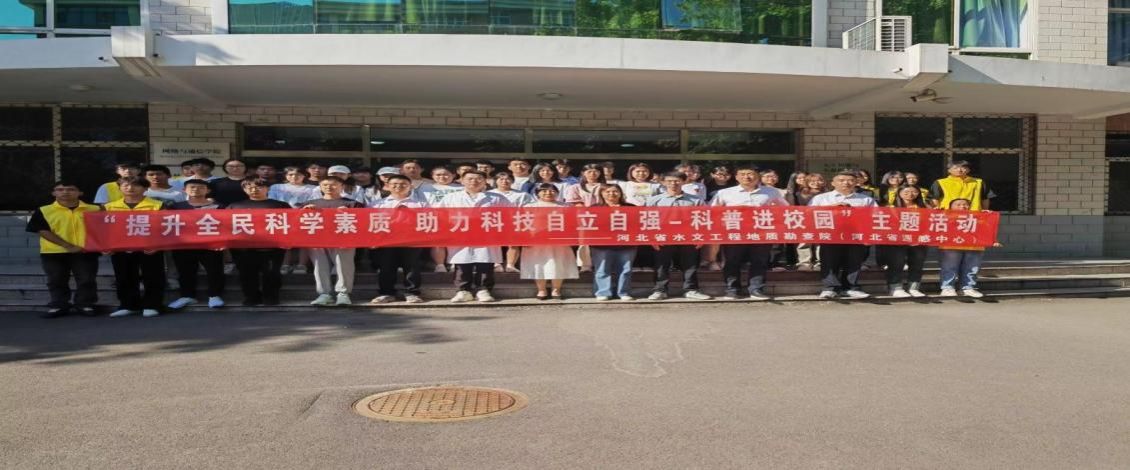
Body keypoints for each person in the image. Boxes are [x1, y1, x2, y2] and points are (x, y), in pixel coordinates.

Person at [711, 165, 789, 300]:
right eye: (742, 174)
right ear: (736, 177)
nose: (746, 177)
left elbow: (785, 209)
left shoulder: (771, 192)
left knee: (759, 261)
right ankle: (732, 289)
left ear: (757, 176)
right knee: (732, 261)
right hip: (734, 233)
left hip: (761, 233)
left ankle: (756, 289)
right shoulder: (724, 193)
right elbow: (712, 211)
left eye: (750, 174)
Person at [26, 181, 102, 318]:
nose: (65, 192)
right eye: (60, 190)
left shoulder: (95, 209)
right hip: (53, 252)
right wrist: (68, 246)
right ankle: (59, 305)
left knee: (87, 280)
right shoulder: (44, 210)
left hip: (85, 251)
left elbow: (105, 229)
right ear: (53, 193)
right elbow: (42, 230)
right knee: (56, 280)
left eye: (71, 189)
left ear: (80, 193)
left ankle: (85, 304)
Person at [437, 170, 513, 303]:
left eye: (478, 179)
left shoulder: (497, 198)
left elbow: (509, 215)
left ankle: (483, 290)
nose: (474, 181)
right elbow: (440, 216)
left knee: (485, 263)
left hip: (487, 235)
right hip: (460, 236)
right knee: (462, 264)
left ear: (485, 181)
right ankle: (463, 291)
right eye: (470, 178)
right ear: (462, 181)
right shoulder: (451, 197)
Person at [103, 177, 167, 317]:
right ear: (120, 188)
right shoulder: (109, 207)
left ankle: (153, 305)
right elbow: (103, 228)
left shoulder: (157, 205)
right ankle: (128, 305)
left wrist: (159, 245)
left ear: (145, 188)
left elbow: (166, 226)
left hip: (150, 247)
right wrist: (105, 245)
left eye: (136, 185)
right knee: (123, 276)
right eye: (125, 185)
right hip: (120, 247)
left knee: (153, 276)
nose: (130, 188)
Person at [810, 171, 878, 300]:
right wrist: (832, 207)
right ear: (833, 183)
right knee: (829, 261)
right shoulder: (821, 198)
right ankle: (830, 288)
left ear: (856, 182)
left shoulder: (866, 199)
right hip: (830, 235)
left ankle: (850, 288)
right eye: (841, 180)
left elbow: (876, 216)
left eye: (850, 180)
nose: (846, 183)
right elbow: (809, 213)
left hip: (856, 236)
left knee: (854, 262)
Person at [646, 172, 711, 301]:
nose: (673, 184)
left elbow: (704, 219)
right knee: (661, 264)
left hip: (688, 237)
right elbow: (647, 220)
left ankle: (691, 290)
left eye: (677, 181)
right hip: (663, 237)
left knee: (690, 264)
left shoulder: (696, 200)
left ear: (683, 182)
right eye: (669, 181)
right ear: (663, 182)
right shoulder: (654, 200)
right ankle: (660, 290)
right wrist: (652, 238)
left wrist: (701, 237)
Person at [299, 176, 363, 306]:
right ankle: (324, 294)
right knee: (319, 267)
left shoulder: (352, 203)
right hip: (317, 240)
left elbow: (363, 221)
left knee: (344, 266)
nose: (329, 187)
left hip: (343, 240)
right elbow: (297, 221)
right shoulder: (309, 203)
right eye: (325, 185)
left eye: (333, 184)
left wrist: (351, 213)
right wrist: (304, 212)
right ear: (320, 187)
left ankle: (343, 293)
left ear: (342, 186)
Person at [226, 178, 291, 305]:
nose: (254, 189)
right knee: (246, 273)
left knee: (271, 273)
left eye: (259, 187)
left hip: (273, 247)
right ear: (244, 190)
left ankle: (271, 297)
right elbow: (225, 225)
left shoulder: (280, 205)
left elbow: (292, 222)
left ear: (268, 188)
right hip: (243, 248)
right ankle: (251, 297)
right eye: (249, 187)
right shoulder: (234, 206)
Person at [166, 179, 226, 310]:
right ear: (184, 190)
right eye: (192, 187)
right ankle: (187, 295)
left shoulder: (219, 206)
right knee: (185, 271)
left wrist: (222, 241)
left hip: (211, 244)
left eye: (200, 187)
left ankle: (214, 295)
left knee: (214, 270)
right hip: (184, 244)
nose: (196, 189)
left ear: (208, 190)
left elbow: (225, 225)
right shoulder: (176, 206)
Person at [368, 175, 427, 304]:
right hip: (385, 241)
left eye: (403, 184)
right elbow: (368, 223)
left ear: (410, 186)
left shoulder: (421, 204)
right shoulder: (377, 204)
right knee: (386, 267)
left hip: (412, 240)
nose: (398, 186)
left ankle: (412, 293)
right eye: (394, 184)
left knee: (412, 267)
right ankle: (386, 293)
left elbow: (428, 221)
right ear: (387, 186)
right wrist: (373, 240)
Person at [520, 184, 580, 300]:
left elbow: (573, 224)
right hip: (536, 242)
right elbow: (522, 224)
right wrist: (525, 238)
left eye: (552, 191)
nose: (548, 193)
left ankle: (556, 289)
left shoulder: (566, 207)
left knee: (558, 264)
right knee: (538, 265)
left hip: (559, 241)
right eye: (544, 191)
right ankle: (541, 289)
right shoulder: (529, 206)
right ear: (537, 193)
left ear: (557, 193)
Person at [938, 198, 1002, 298]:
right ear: (950, 207)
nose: (962, 206)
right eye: (958, 204)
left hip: (974, 247)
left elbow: (987, 230)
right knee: (950, 267)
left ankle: (967, 288)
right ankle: (947, 287)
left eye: (965, 204)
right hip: (951, 246)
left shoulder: (978, 217)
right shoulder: (944, 216)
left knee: (971, 268)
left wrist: (993, 240)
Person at [269, 166, 318, 275]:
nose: (294, 177)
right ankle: (285, 264)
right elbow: (272, 201)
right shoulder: (276, 187)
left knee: (304, 241)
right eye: (290, 174)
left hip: (305, 217)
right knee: (285, 241)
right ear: (285, 176)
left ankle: (302, 264)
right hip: (283, 217)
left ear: (304, 175)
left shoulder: (313, 188)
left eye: (298, 174)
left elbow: (316, 202)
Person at [591, 184, 636, 301]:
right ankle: (603, 292)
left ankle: (623, 292)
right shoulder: (595, 208)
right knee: (602, 269)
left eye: (615, 191)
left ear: (620, 193)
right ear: (601, 194)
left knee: (626, 269)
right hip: (601, 244)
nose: (612, 194)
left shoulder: (631, 207)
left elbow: (637, 224)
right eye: (608, 191)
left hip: (626, 243)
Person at [884, 185, 929, 298]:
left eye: (914, 191)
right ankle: (895, 287)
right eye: (906, 191)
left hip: (919, 240)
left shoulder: (924, 207)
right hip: (898, 240)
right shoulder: (891, 207)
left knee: (917, 264)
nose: (910, 194)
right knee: (896, 263)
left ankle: (913, 288)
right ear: (899, 193)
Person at [419, 166, 464, 272]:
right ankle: (440, 265)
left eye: (445, 174)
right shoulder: (425, 188)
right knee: (438, 242)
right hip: (434, 219)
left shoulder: (462, 187)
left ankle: (454, 263)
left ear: (453, 175)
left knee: (456, 242)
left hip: (457, 219)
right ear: (432, 176)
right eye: (438, 175)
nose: (442, 177)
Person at [489, 171, 534, 273]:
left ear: (512, 181)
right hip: (493, 221)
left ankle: (510, 265)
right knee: (493, 244)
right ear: (496, 181)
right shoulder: (489, 194)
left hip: (514, 221)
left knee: (513, 243)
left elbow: (530, 208)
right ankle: (496, 264)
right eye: (501, 179)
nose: (504, 181)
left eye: (508, 179)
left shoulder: (522, 195)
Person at [788, 172, 826, 271]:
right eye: (812, 181)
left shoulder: (828, 193)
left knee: (821, 242)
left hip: (823, 221)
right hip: (805, 221)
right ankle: (804, 263)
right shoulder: (799, 194)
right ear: (807, 182)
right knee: (804, 242)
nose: (816, 183)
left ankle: (820, 262)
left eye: (819, 180)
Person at [700, 164, 734, 271]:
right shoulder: (705, 186)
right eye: (719, 174)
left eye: (726, 174)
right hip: (712, 216)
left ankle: (726, 261)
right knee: (713, 239)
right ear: (712, 174)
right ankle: (711, 261)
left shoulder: (734, 187)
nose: (723, 176)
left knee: (729, 240)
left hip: (731, 217)